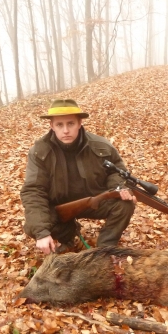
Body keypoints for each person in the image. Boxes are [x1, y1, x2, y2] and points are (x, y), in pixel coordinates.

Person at [21, 99, 136, 254]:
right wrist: (42, 233)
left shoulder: (101, 145)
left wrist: (119, 188)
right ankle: (69, 236)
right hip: (58, 206)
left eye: (71, 124)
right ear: (52, 126)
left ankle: (105, 248)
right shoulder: (39, 151)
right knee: (33, 225)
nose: (66, 130)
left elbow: (117, 170)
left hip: (95, 200)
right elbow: (33, 191)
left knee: (125, 204)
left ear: (80, 123)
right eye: (60, 125)